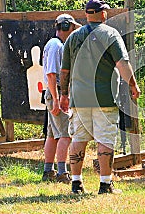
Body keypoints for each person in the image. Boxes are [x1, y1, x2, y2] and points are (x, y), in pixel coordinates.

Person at [60, 0, 140, 194]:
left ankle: (76, 183)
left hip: (79, 99)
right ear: (103, 13)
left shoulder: (73, 37)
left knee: (78, 139)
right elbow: (122, 64)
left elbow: (64, 71)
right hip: (104, 98)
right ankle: (105, 184)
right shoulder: (110, 34)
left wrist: (64, 94)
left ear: (87, 14)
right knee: (105, 140)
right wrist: (133, 85)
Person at [42, 13, 81, 183]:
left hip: (53, 93)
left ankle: (48, 171)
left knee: (52, 135)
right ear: (66, 27)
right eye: (72, 27)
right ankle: (61, 173)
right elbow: (51, 74)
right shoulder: (56, 46)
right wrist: (57, 100)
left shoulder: (55, 44)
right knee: (65, 135)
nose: (73, 31)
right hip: (56, 92)